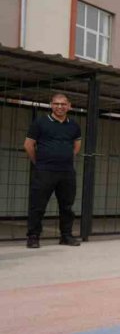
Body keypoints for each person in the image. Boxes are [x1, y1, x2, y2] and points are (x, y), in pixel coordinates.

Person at [23, 92, 82, 248]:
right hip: (44, 171)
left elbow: (77, 145)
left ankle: (66, 236)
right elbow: (28, 145)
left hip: (67, 172)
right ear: (51, 105)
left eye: (63, 104)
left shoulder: (74, 125)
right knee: (38, 205)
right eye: (56, 103)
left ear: (69, 106)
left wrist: (66, 157)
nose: (60, 107)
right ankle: (33, 236)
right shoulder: (40, 122)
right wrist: (39, 162)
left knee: (67, 206)